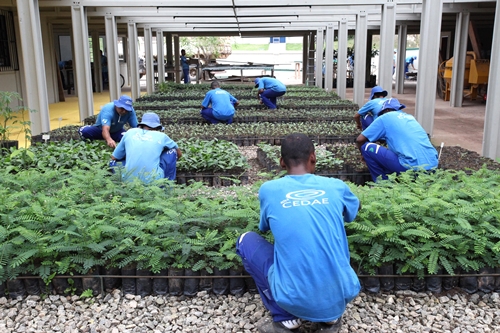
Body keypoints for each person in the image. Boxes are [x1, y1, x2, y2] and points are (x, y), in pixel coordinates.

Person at [236, 133, 361, 333]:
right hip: (341, 293)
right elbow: (353, 212)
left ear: (281, 162)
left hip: (294, 297)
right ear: (313, 157)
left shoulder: (269, 189)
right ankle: (330, 319)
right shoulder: (336, 186)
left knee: (246, 241)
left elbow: (264, 227)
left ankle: (285, 318)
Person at [356, 98, 438, 182]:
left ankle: (382, 184)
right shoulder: (410, 117)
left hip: (410, 167)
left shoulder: (386, 117)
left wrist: (363, 155)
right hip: (432, 165)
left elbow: (360, 139)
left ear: (387, 110)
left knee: (366, 148)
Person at [111, 112, 182, 183]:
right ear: (157, 127)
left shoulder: (129, 132)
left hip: (129, 180)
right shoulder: (161, 136)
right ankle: (167, 185)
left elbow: (114, 157)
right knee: (173, 151)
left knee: (113, 162)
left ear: (141, 125)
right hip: (154, 180)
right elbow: (179, 153)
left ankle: (121, 183)